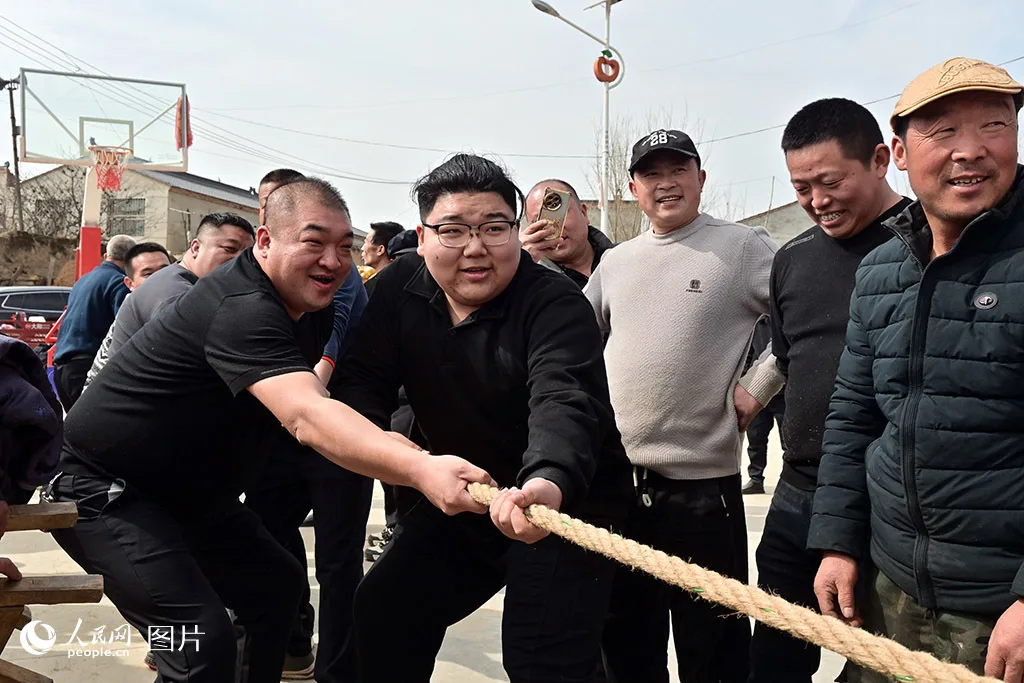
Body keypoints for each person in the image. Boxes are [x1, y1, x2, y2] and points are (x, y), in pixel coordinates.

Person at [45, 177, 493, 683]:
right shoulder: (240, 306)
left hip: (190, 497)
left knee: (276, 587)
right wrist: (419, 469)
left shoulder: (311, 309)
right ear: (264, 241)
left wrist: (393, 442)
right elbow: (304, 414)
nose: (333, 261)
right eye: (314, 242)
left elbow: (317, 398)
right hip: (104, 492)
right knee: (197, 641)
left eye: (344, 247)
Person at [335, 153, 633, 683]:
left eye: (494, 228)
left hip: (561, 502)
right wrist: (391, 453)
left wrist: (548, 480)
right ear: (422, 237)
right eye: (453, 231)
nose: (475, 248)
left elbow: (564, 400)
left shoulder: (554, 302)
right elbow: (362, 384)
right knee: (385, 608)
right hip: (468, 491)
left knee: (541, 658)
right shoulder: (397, 289)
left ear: (517, 232)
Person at [808, 58, 1024, 681]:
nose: (971, 150)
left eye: (994, 125)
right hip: (891, 587)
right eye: (944, 132)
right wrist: (838, 542)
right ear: (900, 153)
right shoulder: (881, 269)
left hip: (1002, 610)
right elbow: (853, 417)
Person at [585, 129, 783, 683]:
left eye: (678, 170)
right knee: (627, 645)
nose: (666, 183)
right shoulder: (617, 262)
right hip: (621, 488)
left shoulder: (742, 246)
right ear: (633, 188)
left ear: (701, 178)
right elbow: (570, 341)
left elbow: (805, 314)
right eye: (651, 173)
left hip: (703, 494)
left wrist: (760, 383)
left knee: (714, 651)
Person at [747, 97, 909, 683]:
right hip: (798, 491)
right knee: (773, 658)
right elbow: (785, 357)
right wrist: (747, 397)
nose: (817, 201)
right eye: (801, 188)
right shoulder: (791, 260)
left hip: (890, 499)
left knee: (882, 664)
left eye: (831, 182)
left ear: (880, 160)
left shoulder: (928, 245)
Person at [246, 169, 372, 682]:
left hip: (339, 426)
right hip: (278, 432)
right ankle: (289, 645)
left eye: (339, 246)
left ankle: (336, 671)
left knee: (339, 561)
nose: (330, 259)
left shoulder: (335, 273)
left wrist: (318, 376)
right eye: (264, 203)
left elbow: (335, 333)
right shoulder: (249, 281)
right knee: (265, 539)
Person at [52, 233, 136, 410]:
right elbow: (124, 328)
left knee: (74, 424)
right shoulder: (118, 283)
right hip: (87, 366)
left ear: (106, 255)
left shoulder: (84, 280)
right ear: (131, 259)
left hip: (62, 366)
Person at [84, 242, 175, 388]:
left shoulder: (177, 306)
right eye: (148, 274)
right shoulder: (131, 315)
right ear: (129, 284)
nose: (160, 278)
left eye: (165, 270)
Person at [522, 179, 615, 287]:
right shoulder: (530, 282)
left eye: (560, 213)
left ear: (583, 213)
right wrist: (519, 267)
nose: (552, 226)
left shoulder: (625, 259)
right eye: (538, 220)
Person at [741, 315, 786, 495]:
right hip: (757, 392)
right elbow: (748, 355)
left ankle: (786, 480)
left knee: (788, 440)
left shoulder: (783, 320)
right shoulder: (757, 324)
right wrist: (744, 381)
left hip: (783, 392)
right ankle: (755, 479)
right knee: (756, 438)